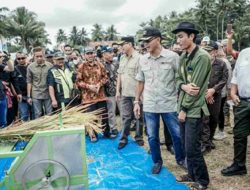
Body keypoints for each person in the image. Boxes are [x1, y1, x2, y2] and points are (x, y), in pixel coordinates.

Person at [134, 27, 185, 174]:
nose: (145, 44)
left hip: (169, 104)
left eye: (148, 41)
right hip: (150, 104)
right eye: (143, 42)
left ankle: (181, 159)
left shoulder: (173, 57)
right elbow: (140, 81)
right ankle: (157, 161)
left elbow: (181, 79)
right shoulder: (142, 59)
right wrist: (137, 102)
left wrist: (181, 101)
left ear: (158, 39)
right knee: (152, 137)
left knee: (176, 134)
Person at [173, 22, 210, 190]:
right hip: (183, 106)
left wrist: (184, 109)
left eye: (181, 36)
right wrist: (183, 86)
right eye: (177, 37)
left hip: (192, 109)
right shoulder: (183, 56)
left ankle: (202, 181)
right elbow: (178, 79)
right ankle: (191, 174)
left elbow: (195, 89)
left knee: (192, 147)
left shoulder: (201, 56)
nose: (178, 40)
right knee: (185, 145)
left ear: (191, 36)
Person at [221, 47, 250, 176]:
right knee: (239, 135)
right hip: (242, 102)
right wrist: (232, 92)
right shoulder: (244, 53)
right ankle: (239, 165)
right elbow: (235, 76)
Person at [76, 47, 110, 142]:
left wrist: (100, 84)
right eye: (88, 53)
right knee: (91, 117)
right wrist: (88, 86)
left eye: (91, 53)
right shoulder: (81, 66)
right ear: (84, 55)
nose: (90, 55)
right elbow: (78, 81)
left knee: (104, 116)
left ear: (94, 54)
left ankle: (106, 132)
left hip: (100, 95)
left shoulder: (100, 65)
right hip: (88, 97)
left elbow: (106, 77)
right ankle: (92, 134)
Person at [116, 36, 144, 149]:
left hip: (137, 94)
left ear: (130, 44)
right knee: (125, 117)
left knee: (138, 117)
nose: (121, 47)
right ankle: (124, 138)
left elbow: (142, 78)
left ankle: (139, 137)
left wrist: (141, 94)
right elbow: (119, 75)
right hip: (125, 93)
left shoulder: (140, 58)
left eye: (123, 44)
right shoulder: (122, 58)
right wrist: (118, 90)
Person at [201, 41, 228, 154]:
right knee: (203, 120)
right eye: (205, 50)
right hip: (202, 95)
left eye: (210, 50)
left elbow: (224, 79)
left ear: (215, 52)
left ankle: (210, 140)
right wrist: (205, 93)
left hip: (215, 96)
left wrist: (213, 90)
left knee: (213, 119)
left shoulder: (221, 64)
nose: (207, 52)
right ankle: (205, 143)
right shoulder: (201, 62)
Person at [27, 47, 53, 119]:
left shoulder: (50, 65)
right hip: (36, 93)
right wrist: (29, 96)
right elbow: (29, 82)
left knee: (49, 113)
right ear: (34, 56)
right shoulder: (30, 67)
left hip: (47, 93)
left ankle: (50, 129)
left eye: (40, 56)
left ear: (44, 56)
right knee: (38, 114)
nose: (39, 58)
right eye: (37, 56)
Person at [102, 46, 119, 138]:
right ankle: (113, 128)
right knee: (111, 111)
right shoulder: (101, 65)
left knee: (121, 111)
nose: (112, 54)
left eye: (112, 52)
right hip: (108, 92)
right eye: (110, 52)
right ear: (104, 54)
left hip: (119, 90)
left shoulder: (116, 63)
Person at [15, 52, 32, 121]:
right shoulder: (14, 69)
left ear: (26, 58)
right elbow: (13, 83)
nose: (21, 60)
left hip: (33, 94)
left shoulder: (31, 67)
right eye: (19, 58)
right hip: (22, 96)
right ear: (16, 59)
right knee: (24, 115)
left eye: (23, 58)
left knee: (35, 114)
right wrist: (17, 94)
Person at [0, 51, 14, 128]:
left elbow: (11, 69)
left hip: (1, 98)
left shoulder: (0, 66)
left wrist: (7, 58)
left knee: (3, 123)